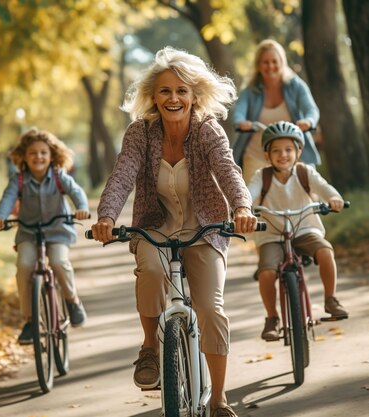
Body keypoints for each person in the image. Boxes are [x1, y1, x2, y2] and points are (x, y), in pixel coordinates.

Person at [90, 46, 258, 417]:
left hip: (205, 230)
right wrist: (106, 216)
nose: (173, 98)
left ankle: (217, 399)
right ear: (154, 96)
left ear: (195, 95)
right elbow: (122, 174)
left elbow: (228, 170)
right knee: (149, 270)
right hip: (156, 228)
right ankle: (150, 347)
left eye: (182, 91)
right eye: (165, 91)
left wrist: (242, 208)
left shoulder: (207, 131)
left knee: (211, 310)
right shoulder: (141, 133)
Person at [0, 128, 91, 344]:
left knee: (58, 261)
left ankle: (72, 302)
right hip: (28, 232)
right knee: (24, 266)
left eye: (43, 152)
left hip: (58, 230)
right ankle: (29, 321)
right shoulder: (18, 180)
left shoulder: (58, 176)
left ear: (52, 155)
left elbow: (76, 192)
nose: (38, 157)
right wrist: (0, 216)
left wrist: (81, 207)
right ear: (24, 157)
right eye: (33, 153)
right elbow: (7, 200)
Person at [248, 121, 348, 341]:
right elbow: (248, 193)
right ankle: (272, 318)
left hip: (304, 228)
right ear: (267, 155)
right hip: (272, 235)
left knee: (325, 251)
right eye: (276, 151)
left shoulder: (305, 172)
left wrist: (334, 198)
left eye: (288, 150)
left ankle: (331, 299)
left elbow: (325, 188)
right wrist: (243, 208)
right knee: (267, 272)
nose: (283, 155)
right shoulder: (261, 176)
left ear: (298, 151)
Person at [232, 39, 320, 183]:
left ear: (282, 62)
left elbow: (311, 109)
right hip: (257, 155)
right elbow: (238, 112)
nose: (270, 66)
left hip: (292, 153)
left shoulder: (295, 86)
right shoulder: (250, 91)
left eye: (274, 61)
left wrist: (308, 121)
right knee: (252, 199)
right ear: (258, 65)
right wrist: (241, 122)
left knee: (307, 192)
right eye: (265, 62)